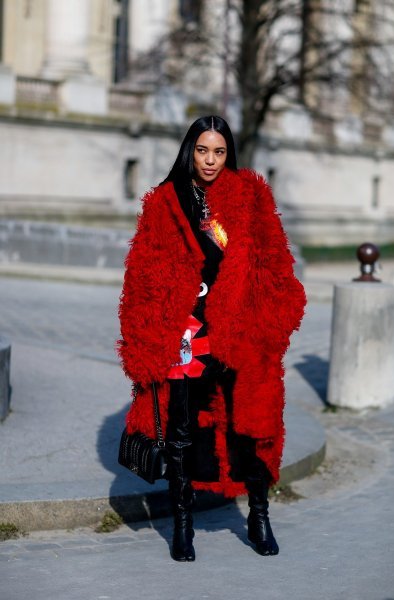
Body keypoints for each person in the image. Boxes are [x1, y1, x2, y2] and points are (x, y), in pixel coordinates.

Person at [117, 115, 306, 562]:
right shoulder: (166, 201)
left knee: (248, 425)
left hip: (239, 332)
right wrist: (149, 333)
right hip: (185, 332)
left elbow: (276, 264)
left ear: (229, 154)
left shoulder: (251, 196)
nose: (210, 160)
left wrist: (268, 324)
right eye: (203, 150)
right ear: (190, 150)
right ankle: (183, 525)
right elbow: (142, 271)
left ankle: (258, 515)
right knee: (181, 432)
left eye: (219, 152)